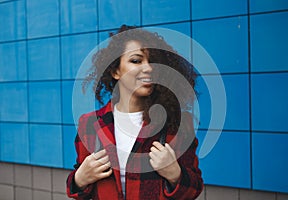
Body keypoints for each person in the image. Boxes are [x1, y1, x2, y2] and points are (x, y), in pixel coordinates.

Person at [66, 25, 203, 200]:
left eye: (152, 62)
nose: (148, 68)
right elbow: (80, 190)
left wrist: (175, 174)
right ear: (116, 71)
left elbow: (193, 189)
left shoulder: (177, 122)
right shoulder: (90, 124)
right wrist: (79, 179)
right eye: (136, 61)